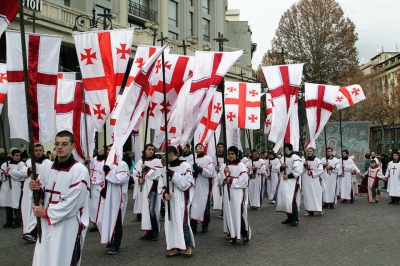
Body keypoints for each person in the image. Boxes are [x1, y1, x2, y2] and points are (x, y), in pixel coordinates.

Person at [29, 130, 90, 265]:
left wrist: (45, 212)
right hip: (47, 224)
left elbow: (72, 204)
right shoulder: (47, 168)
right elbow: (42, 193)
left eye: (64, 144)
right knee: (45, 259)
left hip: (67, 227)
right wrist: (37, 189)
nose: (60, 147)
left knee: (62, 260)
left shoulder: (79, 170)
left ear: (73, 146)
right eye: (57, 144)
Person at [158, 146, 195, 258]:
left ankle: (187, 246)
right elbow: (161, 184)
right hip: (170, 199)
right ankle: (175, 247)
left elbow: (186, 183)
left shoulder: (184, 165)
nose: (165, 156)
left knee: (182, 222)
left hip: (181, 198)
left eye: (167, 153)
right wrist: (164, 193)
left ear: (172, 153)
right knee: (171, 224)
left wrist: (173, 175)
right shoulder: (165, 167)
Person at [97, 144, 130, 255]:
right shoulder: (106, 163)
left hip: (118, 196)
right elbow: (99, 179)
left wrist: (108, 172)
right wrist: (102, 189)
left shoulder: (122, 164)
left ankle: (116, 243)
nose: (108, 152)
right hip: (107, 196)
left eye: (111, 150)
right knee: (104, 219)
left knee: (116, 220)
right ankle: (109, 239)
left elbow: (121, 179)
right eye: (108, 150)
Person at [217, 145, 251, 245]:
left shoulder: (241, 165)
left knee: (238, 213)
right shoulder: (225, 165)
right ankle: (233, 235)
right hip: (228, 193)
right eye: (229, 154)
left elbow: (244, 180)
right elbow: (219, 178)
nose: (230, 156)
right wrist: (224, 173)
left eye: (232, 154)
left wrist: (231, 180)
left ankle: (244, 233)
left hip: (237, 193)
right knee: (230, 213)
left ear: (237, 154)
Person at [21, 144, 52, 242]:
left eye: (40, 150)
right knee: (28, 211)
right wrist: (28, 170)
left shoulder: (48, 163)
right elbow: (20, 173)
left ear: (43, 151)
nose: (38, 152)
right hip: (29, 190)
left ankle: (33, 232)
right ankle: (29, 231)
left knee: (38, 209)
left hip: (42, 190)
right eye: (36, 150)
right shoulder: (29, 162)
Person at [132, 144, 163, 241]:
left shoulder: (157, 161)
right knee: (145, 210)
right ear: (145, 150)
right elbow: (135, 173)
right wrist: (138, 179)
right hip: (143, 189)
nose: (151, 151)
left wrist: (147, 169)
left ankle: (155, 231)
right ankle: (148, 231)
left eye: (153, 150)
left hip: (153, 188)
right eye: (149, 149)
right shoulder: (140, 162)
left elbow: (158, 175)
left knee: (152, 210)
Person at [190, 143, 215, 234]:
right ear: (195, 150)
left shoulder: (208, 159)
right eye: (198, 146)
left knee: (205, 205)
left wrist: (199, 169)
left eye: (201, 146)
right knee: (194, 206)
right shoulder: (192, 159)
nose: (200, 147)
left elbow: (210, 172)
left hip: (204, 186)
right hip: (195, 186)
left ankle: (205, 225)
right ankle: (193, 226)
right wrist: (193, 173)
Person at [277, 143, 303, 227]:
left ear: (287, 148)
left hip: (292, 181)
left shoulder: (295, 157)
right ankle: (289, 217)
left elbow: (298, 169)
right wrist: (282, 167)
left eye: (284, 148)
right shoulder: (283, 157)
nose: (283, 149)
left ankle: (295, 219)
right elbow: (277, 167)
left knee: (291, 199)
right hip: (284, 181)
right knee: (285, 199)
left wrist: (288, 176)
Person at [0, 149, 27, 228]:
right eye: (16, 155)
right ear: (12, 155)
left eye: (19, 155)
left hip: (16, 187)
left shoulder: (22, 164)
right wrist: (5, 174)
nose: (18, 157)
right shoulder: (5, 164)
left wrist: (10, 172)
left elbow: (21, 175)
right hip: (7, 186)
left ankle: (17, 221)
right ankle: (9, 220)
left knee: (16, 204)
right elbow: (1, 174)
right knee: (7, 204)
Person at [88, 146, 106, 233]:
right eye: (101, 149)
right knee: (92, 205)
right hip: (92, 186)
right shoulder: (94, 159)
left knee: (98, 205)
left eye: (103, 150)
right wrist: (86, 161)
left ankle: (99, 222)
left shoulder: (105, 162)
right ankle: (94, 222)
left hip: (99, 186)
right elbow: (88, 167)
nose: (101, 151)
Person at [302, 148, 323, 216]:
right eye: (308, 151)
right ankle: (309, 210)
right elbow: (300, 169)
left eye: (310, 151)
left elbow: (320, 170)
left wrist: (312, 172)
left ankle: (319, 209)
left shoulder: (317, 160)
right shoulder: (304, 159)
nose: (309, 152)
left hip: (314, 179)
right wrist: (305, 165)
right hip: (306, 180)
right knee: (308, 194)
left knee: (316, 193)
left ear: (313, 152)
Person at [212, 142, 225, 214]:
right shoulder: (213, 157)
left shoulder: (226, 157)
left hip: (223, 176)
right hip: (215, 177)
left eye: (221, 147)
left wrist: (220, 168)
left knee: (223, 193)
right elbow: (211, 165)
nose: (220, 148)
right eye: (218, 147)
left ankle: (224, 210)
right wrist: (215, 167)